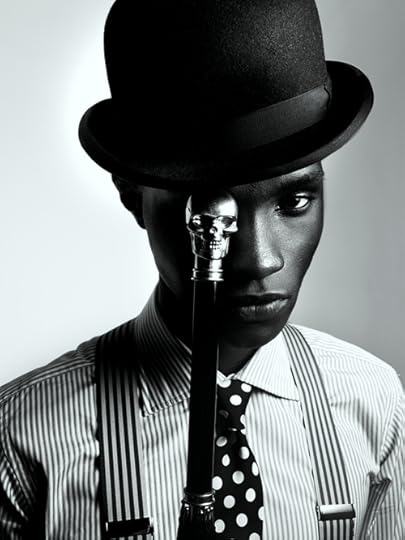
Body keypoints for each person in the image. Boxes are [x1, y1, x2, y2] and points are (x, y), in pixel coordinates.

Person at [0, 0, 403, 539]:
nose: (261, 258)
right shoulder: (23, 436)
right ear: (132, 193)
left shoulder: (374, 401)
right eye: (210, 213)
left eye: (294, 201)